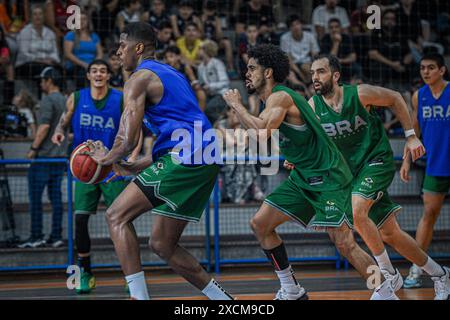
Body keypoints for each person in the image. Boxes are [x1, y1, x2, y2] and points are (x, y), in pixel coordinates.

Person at [222, 43, 392, 300]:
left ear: (268, 73)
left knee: (344, 243)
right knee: (260, 224)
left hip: (329, 176)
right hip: (303, 176)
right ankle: (291, 289)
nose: (247, 73)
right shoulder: (270, 102)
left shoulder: (281, 96)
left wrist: (236, 105)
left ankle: (385, 289)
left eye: (252, 68)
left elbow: (262, 132)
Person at [88, 22, 233, 300]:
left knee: (116, 215)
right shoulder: (172, 74)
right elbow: (178, 134)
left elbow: (126, 140)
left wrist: (103, 158)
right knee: (162, 244)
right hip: (206, 154)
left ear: (138, 48)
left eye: (122, 45)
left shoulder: (138, 78)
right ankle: (223, 301)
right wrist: (134, 165)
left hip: (189, 154)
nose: (118, 51)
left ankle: (139, 297)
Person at [307, 54, 450, 300]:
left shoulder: (359, 94)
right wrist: (297, 157)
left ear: (336, 75)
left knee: (357, 209)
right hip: (351, 173)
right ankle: (440, 274)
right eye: (312, 73)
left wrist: (410, 136)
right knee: (389, 234)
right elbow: (309, 139)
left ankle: (387, 272)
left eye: (320, 72)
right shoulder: (313, 106)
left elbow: (395, 98)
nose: (315, 77)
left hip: (376, 161)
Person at [52, 59, 141, 294]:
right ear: (89, 76)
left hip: (112, 169)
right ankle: (86, 273)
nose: (99, 74)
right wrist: (60, 132)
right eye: (94, 71)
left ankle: (131, 276)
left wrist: (131, 155)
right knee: (80, 220)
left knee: (124, 222)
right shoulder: (77, 98)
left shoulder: (120, 98)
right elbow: (63, 121)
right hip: (86, 171)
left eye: (103, 70)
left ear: (108, 75)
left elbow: (136, 127)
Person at [400, 53, 450, 295]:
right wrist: (406, 161)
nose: (426, 72)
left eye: (431, 68)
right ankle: (417, 269)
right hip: (437, 164)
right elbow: (413, 131)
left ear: (442, 70)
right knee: (428, 214)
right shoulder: (419, 96)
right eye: (422, 68)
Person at [18, 67, 67, 249]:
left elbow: (44, 126)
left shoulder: (48, 100)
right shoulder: (65, 100)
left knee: (35, 199)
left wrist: (33, 148)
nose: (40, 83)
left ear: (49, 80)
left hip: (44, 157)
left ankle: (36, 236)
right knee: (56, 199)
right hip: (59, 157)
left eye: (42, 80)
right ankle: (56, 236)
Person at [15, 5, 60, 84]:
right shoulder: (25, 32)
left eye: (40, 14)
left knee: (60, 70)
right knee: (44, 70)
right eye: (35, 14)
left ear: (44, 16)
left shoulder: (50, 33)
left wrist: (51, 60)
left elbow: (55, 53)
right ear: (31, 17)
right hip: (26, 65)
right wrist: (41, 60)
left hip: (47, 64)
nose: (38, 17)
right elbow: (23, 53)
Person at [63, 11, 103, 90]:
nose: (81, 21)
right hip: (75, 65)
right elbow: (68, 54)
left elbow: (100, 54)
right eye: (79, 19)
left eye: (84, 19)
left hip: (92, 65)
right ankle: (81, 95)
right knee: (81, 72)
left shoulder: (94, 36)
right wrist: (84, 64)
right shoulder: (70, 35)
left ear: (88, 21)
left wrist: (94, 64)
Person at [163, 45, 206, 111]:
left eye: (171, 56)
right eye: (166, 57)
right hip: (173, 94)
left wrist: (196, 86)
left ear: (178, 57)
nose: (168, 59)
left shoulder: (186, 68)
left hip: (187, 92)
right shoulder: (164, 70)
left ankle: (199, 120)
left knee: (201, 93)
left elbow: (194, 82)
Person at [280, 14, 319, 85]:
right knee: (289, 74)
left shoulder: (310, 36)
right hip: (293, 66)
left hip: (307, 64)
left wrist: (312, 66)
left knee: (306, 67)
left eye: (297, 24)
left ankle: (310, 87)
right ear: (289, 28)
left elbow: (315, 55)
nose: (296, 27)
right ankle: (302, 87)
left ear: (301, 25)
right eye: (292, 25)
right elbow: (289, 60)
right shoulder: (284, 38)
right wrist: (301, 75)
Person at [197, 39, 230, 124]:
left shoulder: (217, 63)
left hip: (221, 94)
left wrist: (210, 86)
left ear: (206, 50)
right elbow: (202, 83)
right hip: (210, 95)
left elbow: (225, 82)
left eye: (200, 48)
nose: (198, 50)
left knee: (209, 109)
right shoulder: (200, 67)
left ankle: (221, 124)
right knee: (199, 110)